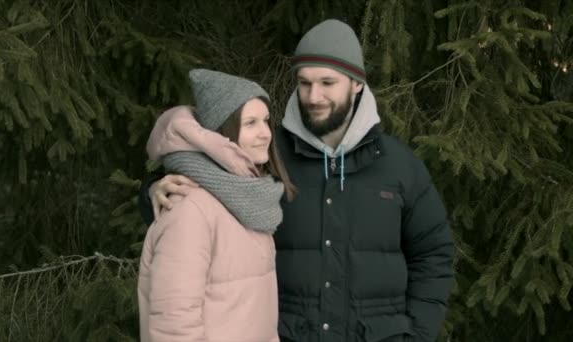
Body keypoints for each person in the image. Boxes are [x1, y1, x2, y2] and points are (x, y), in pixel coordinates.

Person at [140, 20, 454, 342]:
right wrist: (152, 188)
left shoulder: (399, 165)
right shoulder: (266, 155)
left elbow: (433, 253)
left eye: (327, 83)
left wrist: (417, 334)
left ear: (357, 84)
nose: (313, 96)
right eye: (304, 83)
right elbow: (203, 181)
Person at [137, 68, 295, 342]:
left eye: (266, 121)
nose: (266, 134)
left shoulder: (250, 202)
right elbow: (175, 327)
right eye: (250, 123)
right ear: (222, 134)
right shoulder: (190, 210)